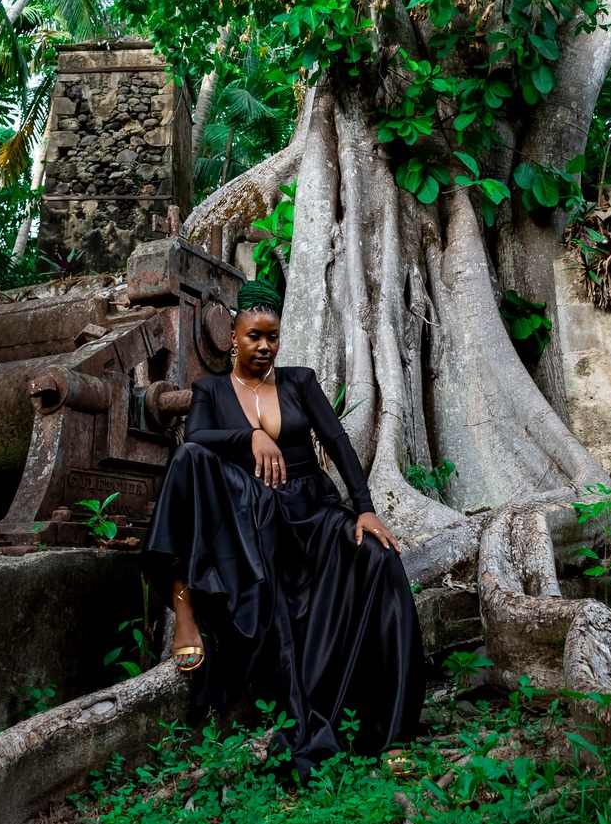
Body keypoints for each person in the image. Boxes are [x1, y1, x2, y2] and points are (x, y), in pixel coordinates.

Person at [142, 278, 423, 777]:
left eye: (272, 336)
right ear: (233, 334)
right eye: (254, 336)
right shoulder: (209, 389)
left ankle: (392, 729)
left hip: (310, 509)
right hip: (250, 511)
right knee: (188, 459)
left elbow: (336, 440)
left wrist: (364, 507)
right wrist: (249, 436)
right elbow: (201, 438)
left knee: (381, 561)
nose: (265, 346)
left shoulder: (299, 381)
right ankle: (183, 602)